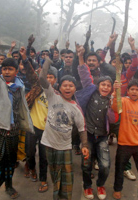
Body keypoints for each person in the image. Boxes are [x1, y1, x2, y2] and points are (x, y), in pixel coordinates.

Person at [0, 46, 34, 200]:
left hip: (15, 129)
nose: (6, 72)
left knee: (10, 161)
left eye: (10, 69)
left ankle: (9, 186)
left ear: (16, 71)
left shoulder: (20, 87)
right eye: (4, 69)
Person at [39, 57, 89, 200]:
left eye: (71, 86)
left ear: (75, 88)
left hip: (65, 147)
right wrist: (47, 61)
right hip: (48, 143)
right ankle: (57, 196)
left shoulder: (76, 108)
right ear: (59, 87)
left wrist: (84, 145)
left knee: (67, 177)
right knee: (54, 174)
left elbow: (82, 128)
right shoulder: (52, 95)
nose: (68, 88)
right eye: (65, 85)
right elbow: (42, 78)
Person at [75, 45, 114, 200]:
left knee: (105, 165)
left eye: (108, 85)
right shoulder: (91, 91)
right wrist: (80, 56)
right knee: (86, 164)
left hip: (103, 136)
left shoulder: (112, 101)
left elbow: (115, 119)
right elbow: (84, 74)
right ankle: (87, 187)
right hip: (88, 135)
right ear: (98, 86)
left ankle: (100, 184)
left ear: (111, 88)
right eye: (103, 84)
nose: (105, 87)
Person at [23, 47, 56, 193]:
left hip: (47, 130)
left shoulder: (57, 95)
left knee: (44, 157)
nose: (48, 79)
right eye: (46, 76)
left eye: (51, 77)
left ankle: (43, 179)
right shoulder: (37, 87)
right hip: (32, 125)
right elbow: (30, 73)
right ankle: (31, 168)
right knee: (30, 153)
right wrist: (24, 58)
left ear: (55, 80)